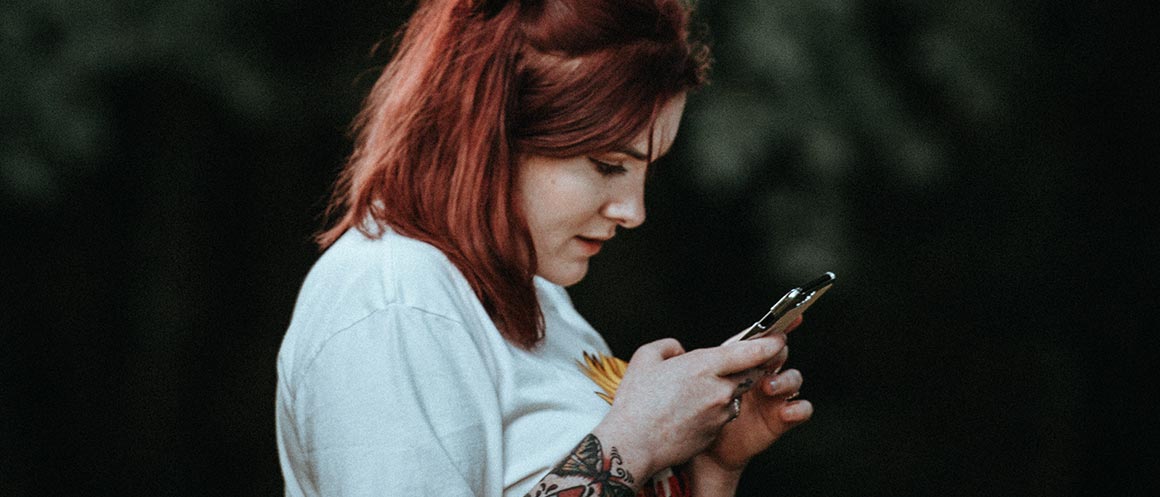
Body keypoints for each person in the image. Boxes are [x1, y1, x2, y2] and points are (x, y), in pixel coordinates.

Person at [275, 0, 814, 496]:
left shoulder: (541, 301)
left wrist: (711, 466)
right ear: (488, 135)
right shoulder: (392, 301)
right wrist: (637, 439)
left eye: (647, 171)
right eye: (606, 165)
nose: (633, 211)